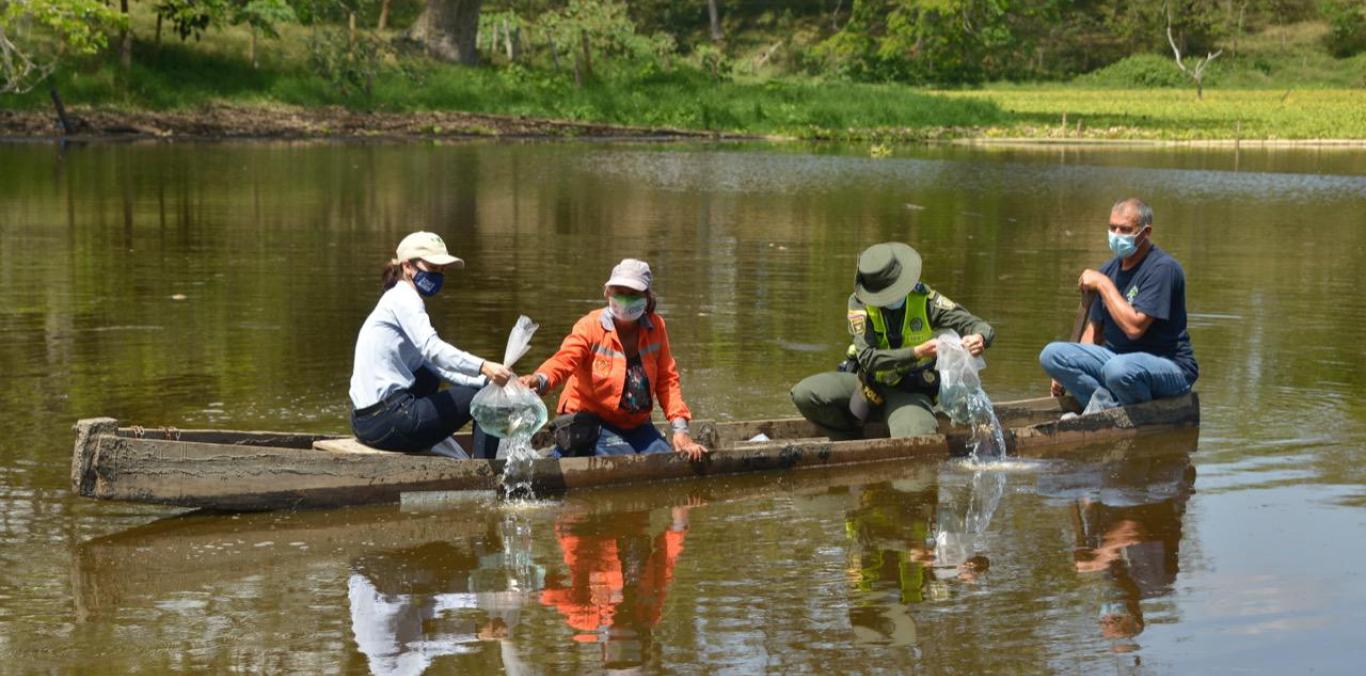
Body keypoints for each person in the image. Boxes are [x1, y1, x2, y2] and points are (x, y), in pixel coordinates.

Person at [790, 242, 995, 439]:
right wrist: (918, 352)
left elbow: (978, 325)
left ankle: (900, 419)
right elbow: (868, 358)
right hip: (868, 385)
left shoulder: (926, 300)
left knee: (916, 437)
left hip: (909, 391)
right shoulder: (859, 304)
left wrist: (979, 338)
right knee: (804, 394)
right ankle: (850, 440)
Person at [520, 259, 707, 460]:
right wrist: (539, 380)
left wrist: (680, 430)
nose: (625, 300)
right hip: (592, 421)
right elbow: (563, 360)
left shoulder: (656, 327)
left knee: (664, 458)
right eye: (620, 292)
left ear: (646, 297)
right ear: (608, 293)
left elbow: (667, 380)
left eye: (633, 294)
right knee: (623, 460)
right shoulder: (590, 326)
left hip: (636, 423)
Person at [348, 231, 513, 456]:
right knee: (485, 397)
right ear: (407, 267)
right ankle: (487, 474)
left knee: (433, 377)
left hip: (364, 424)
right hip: (389, 422)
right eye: (433, 268)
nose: (439, 276)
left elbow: (437, 365)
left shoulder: (395, 299)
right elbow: (433, 349)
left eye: (442, 271)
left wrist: (490, 378)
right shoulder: (405, 298)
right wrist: (485, 368)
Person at [1039, 198, 1198, 408]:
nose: (1116, 234)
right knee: (1052, 355)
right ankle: (1106, 408)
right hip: (1118, 364)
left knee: (1118, 369)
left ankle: (1104, 411)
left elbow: (1134, 328)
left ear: (1146, 232)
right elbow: (1094, 332)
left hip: (1168, 367)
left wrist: (1103, 284)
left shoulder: (1163, 269)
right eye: (1112, 227)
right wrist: (1064, 372)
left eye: (1125, 229)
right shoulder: (1108, 269)